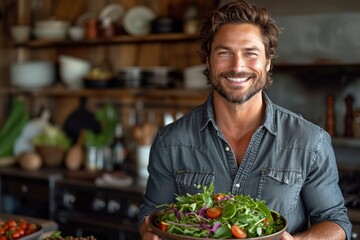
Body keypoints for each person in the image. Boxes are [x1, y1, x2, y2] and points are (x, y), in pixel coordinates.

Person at [138, 0, 352, 239]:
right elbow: (153, 216)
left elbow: (336, 222)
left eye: (250, 53)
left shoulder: (311, 141)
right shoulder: (171, 142)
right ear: (207, 61)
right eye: (224, 53)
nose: (237, 66)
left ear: (267, 62)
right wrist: (149, 232)